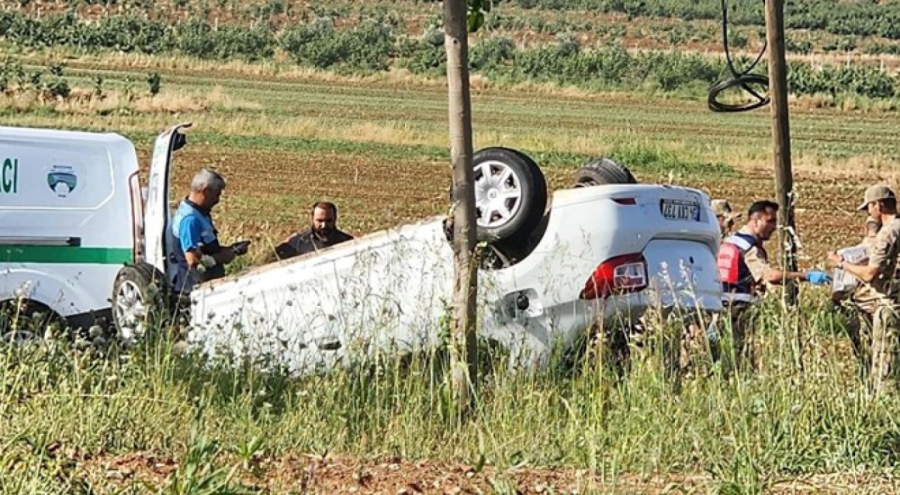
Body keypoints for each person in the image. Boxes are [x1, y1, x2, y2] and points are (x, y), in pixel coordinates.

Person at [716, 199, 831, 370]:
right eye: (770, 221)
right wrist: (806, 276)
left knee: (723, 356)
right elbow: (769, 276)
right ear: (756, 221)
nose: (774, 227)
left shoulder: (730, 241)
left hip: (721, 305)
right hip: (738, 309)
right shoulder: (749, 247)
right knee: (740, 361)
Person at [826, 185, 900, 396]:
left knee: (886, 367)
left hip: (891, 306)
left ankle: (885, 407)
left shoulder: (889, 232)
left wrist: (841, 263)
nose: (869, 212)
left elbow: (870, 274)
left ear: (878, 205)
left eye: (869, 207)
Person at [170, 168, 249, 294]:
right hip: (196, 291)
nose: (217, 200)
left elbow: (205, 250)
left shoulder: (198, 213)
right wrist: (222, 257)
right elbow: (193, 261)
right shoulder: (190, 220)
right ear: (205, 191)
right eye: (216, 195)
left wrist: (232, 250)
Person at [273, 201, 354, 260]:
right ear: (312, 219)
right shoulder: (298, 243)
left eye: (328, 221)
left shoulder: (348, 243)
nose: (324, 225)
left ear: (335, 219)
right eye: (320, 221)